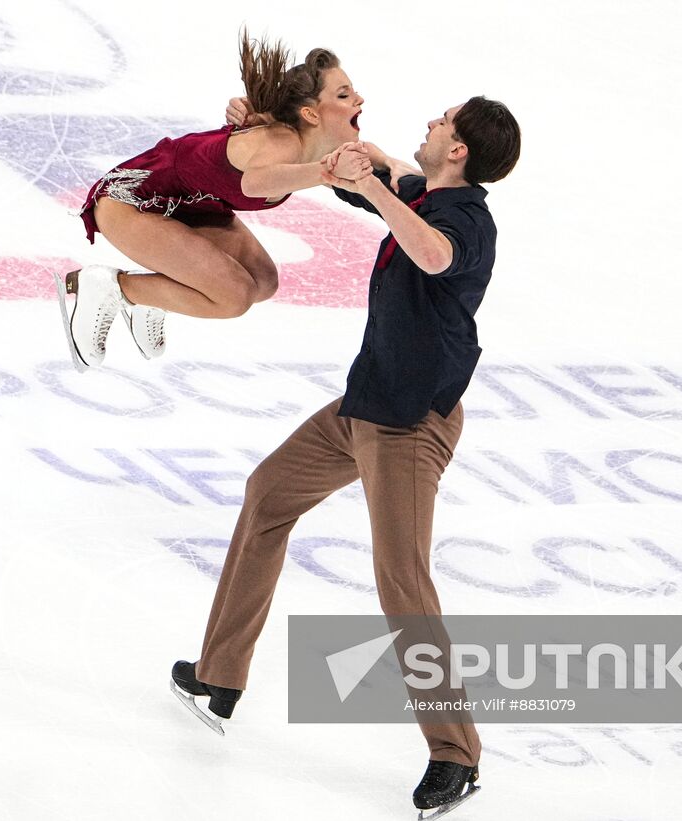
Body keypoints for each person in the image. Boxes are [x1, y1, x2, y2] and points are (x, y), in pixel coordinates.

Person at [170, 94, 521, 817]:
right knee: (268, 492)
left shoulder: (466, 223)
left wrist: (372, 188)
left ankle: (457, 753)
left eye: (443, 121)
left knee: (402, 581)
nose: (431, 123)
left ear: (460, 151)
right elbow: (369, 167)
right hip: (361, 409)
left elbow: (430, 253)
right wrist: (281, 132)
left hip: (408, 429)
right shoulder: (420, 192)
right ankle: (219, 674)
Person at [55, 30, 370, 371]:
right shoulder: (284, 144)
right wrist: (326, 172)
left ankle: (153, 295)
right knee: (233, 296)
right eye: (344, 94)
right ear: (311, 113)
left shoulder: (311, 143)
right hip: (133, 201)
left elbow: (384, 166)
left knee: (262, 281)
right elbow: (254, 183)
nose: (359, 100)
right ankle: (107, 287)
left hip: (191, 204)